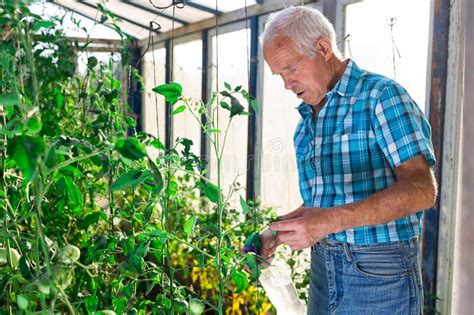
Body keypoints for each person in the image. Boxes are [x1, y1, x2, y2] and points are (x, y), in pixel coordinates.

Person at [258, 6, 437, 314]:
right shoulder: (307, 122)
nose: (287, 84)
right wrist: (279, 229)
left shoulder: (381, 97)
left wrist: (325, 222)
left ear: (323, 48)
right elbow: (326, 205)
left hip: (379, 273)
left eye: (291, 69)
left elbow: (422, 190)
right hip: (324, 267)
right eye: (280, 75)